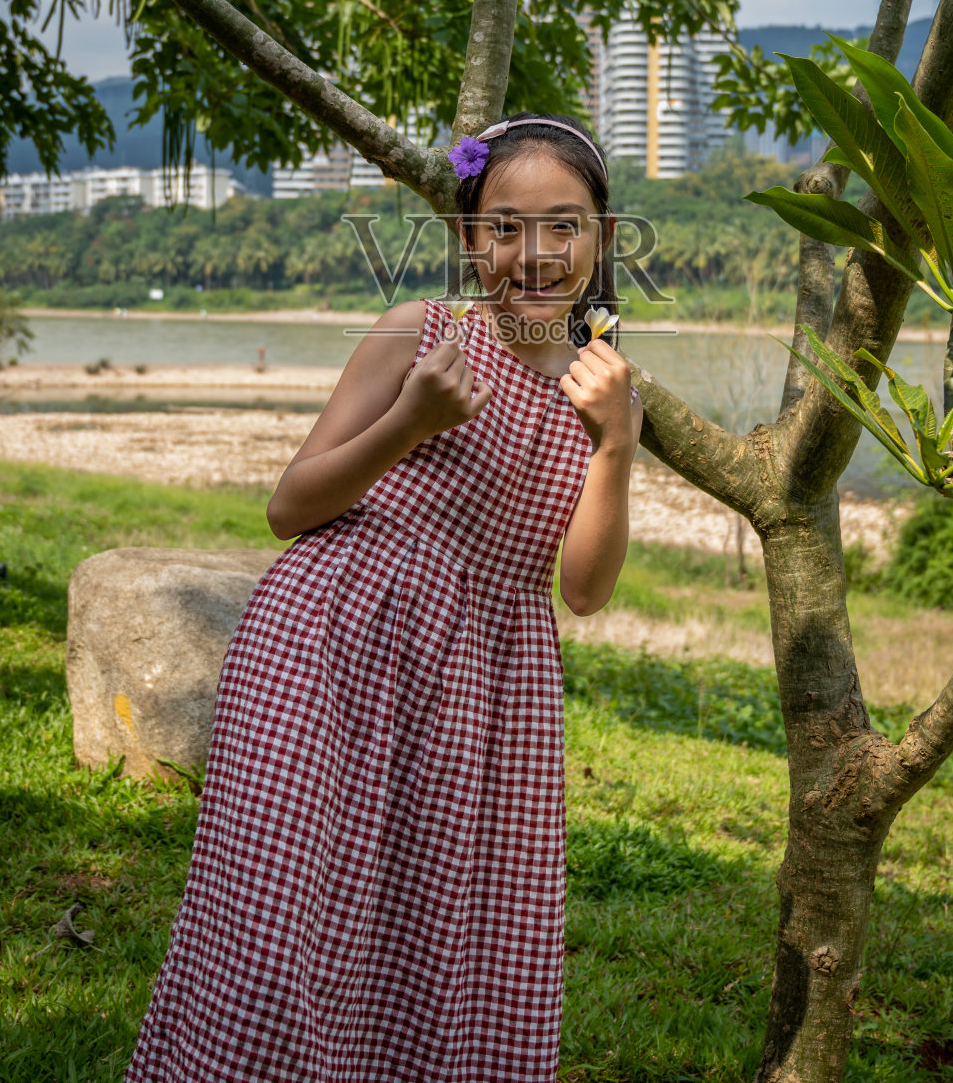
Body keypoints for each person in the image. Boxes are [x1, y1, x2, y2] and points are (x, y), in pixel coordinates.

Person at [125, 112, 643, 1082]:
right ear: (468, 238)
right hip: (328, 648)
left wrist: (614, 442)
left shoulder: (604, 388)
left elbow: (583, 589)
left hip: (479, 700)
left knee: (430, 938)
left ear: (604, 237)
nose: (533, 253)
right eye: (503, 227)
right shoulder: (421, 333)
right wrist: (410, 420)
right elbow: (290, 507)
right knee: (276, 919)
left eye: (562, 226)